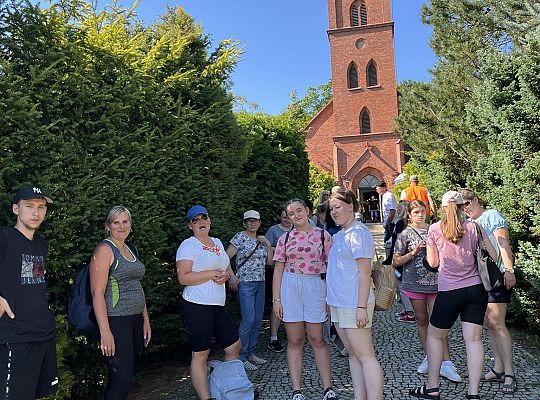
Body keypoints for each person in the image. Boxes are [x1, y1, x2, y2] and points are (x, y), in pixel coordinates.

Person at [410, 191, 498, 400]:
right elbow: (494, 254)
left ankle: (432, 388)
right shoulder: (474, 226)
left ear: (441, 209)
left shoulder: (434, 229)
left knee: (435, 336)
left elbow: (433, 263)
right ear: (462, 207)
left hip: (449, 291)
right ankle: (473, 394)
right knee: (474, 340)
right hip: (475, 290)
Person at [272, 199, 337, 400]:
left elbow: (332, 268)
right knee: (295, 340)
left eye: (299, 211)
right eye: (291, 213)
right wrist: (276, 300)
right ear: (288, 217)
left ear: (307, 211)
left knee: (317, 338)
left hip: (315, 286)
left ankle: (328, 388)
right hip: (290, 286)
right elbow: (278, 270)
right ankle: (297, 390)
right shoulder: (285, 238)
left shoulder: (323, 235)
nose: (296, 215)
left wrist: (330, 295)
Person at [176, 205, 240, 400]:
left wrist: (227, 276)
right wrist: (212, 274)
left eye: (204, 218)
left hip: (217, 305)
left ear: (210, 221)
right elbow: (183, 278)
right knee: (201, 355)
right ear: (190, 226)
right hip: (197, 306)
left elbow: (225, 267)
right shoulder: (188, 245)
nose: (201, 222)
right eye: (195, 220)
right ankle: (206, 397)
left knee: (234, 347)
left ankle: (228, 390)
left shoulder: (218, 242)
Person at [393, 200, 461, 382]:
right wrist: (413, 252)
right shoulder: (404, 234)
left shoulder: (435, 229)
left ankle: (446, 362)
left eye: (422, 211)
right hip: (415, 283)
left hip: (436, 283)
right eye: (416, 212)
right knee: (422, 320)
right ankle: (430, 356)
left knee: (438, 322)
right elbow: (395, 261)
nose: (420, 215)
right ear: (409, 215)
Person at [0, 187, 58, 399]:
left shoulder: (41, 244)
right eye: (30, 206)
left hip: (43, 333)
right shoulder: (4, 239)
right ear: (16, 209)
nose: (36, 213)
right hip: (15, 336)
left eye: (41, 207)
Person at [327, 189, 384, 400]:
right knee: (353, 354)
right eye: (331, 208)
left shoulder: (359, 233)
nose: (334, 211)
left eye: (338, 207)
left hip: (354, 303)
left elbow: (365, 271)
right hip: (339, 303)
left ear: (351, 206)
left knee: (365, 355)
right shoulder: (340, 234)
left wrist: (361, 307)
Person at [90, 205, 151, 399]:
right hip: (116, 321)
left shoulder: (130, 249)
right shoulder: (104, 249)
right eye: (116, 222)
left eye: (125, 221)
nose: (121, 226)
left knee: (125, 378)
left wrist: (145, 319)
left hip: (135, 320)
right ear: (108, 226)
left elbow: (137, 286)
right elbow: (97, 294)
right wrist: (105, 332)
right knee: (121, 380)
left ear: (131, 225)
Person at [460, 188, 517, 394]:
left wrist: (509, 269)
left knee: (497, 323)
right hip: (481, 279)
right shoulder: (468, 224)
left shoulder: (491, 216)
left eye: (467, 203)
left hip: (497, 276)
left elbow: (503, 244)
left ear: (475, 199)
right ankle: (498, 368)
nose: (465, 208)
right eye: (461, 205)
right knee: (490, 324)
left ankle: (509, 372)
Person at [226, 210, 273, 371]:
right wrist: (232, 276)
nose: (252, 223)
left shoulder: (261, 240)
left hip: (260, 283)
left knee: (258, 319)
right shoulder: (239, 237)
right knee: (248, 319)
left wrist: (267, 244)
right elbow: (225, 258)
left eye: (255, 221)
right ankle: (241, 355)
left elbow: (270, 262)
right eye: (249, 221)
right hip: (245, 283)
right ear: (244, 223)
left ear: (260, 223)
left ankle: (251, 352)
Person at [264, 205, 292, 353]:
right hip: (279, 272)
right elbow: (266, 249)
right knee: (277, 303)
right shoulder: (274, 231)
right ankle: (273, 338)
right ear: (279, 217)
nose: (287, 219)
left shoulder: (297, 229)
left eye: (289, 215)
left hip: (296, 273)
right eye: (284, 216)